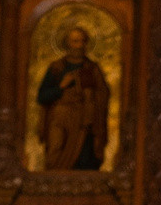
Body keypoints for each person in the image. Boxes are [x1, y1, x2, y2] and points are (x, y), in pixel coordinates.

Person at [36, 25, 110, 171]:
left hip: (84, 122)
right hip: (59, 119)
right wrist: (61, 87)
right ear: (67, 44)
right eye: (75, 41)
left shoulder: (92, 69)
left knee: (84, 160)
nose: (79, 45)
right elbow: (42, 97)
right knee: (55, 152)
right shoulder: (56, 68)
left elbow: (103, 94)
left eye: (82, 41)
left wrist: (90, 99)